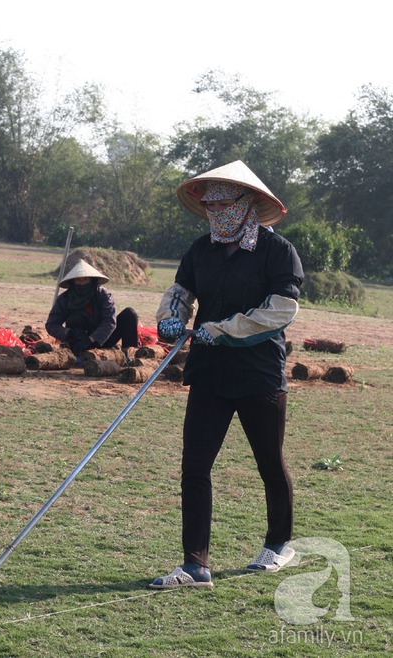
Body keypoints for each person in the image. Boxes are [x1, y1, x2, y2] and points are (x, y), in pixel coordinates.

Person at [149, 160, 304, 589]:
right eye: (210, 204)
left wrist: (223, 329)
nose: (217, 211)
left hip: (258, 374)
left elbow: (281, 310)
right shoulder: (202, 250)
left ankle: (278, 545)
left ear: (247, 203)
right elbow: (180, 293)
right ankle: (195, 564)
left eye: (225, 203)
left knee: (269, 462)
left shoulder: (278, 252)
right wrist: (170, 317)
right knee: (194, 466)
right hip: (209, 372)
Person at [45, 259, 139, 363]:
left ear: (92, 280)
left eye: (85, 280)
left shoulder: (103, 295)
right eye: (78, 280)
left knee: (130, 313)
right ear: (73, 282)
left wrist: (91, 339)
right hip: (77, 342)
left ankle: (125, 353)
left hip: (102, 339)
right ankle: (78, 354)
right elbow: (51, 324)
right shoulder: (65, 298)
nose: (81, 283)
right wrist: (69, 333)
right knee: (76, 318)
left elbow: (109, 322)